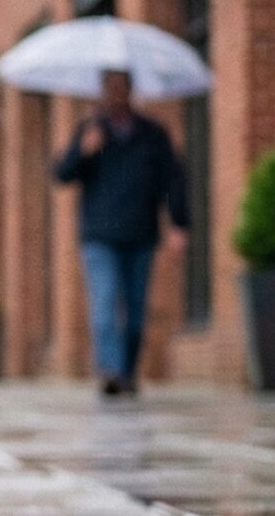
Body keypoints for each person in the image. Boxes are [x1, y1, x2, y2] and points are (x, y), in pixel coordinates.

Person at [52, 68, 190, 397]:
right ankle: (111, 371)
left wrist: (180, 224)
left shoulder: (153, 133)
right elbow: (61, 173)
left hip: (141, 232)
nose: (115, 92)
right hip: (99, 235)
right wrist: (84, 151)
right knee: (104, 303)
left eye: (121, 86)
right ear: (102, 91)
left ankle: (126, 372)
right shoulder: (90, 130)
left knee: (136, 311)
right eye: (109, 86)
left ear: (129, 89)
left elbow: (172, 181)